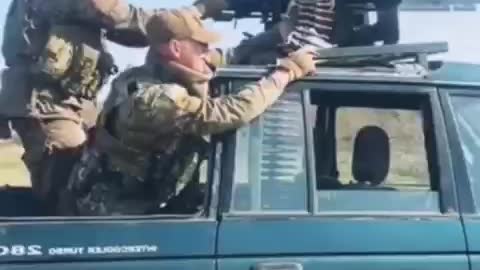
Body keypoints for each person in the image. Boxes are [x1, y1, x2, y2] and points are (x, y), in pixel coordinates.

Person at [64, 7, 317, 216]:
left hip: (142, 203)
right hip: (118, 215)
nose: (207, 53)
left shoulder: (158, 70)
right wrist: (287, 73)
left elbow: (229, 55)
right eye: (201, 46)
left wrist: (277, 34)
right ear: (175, 48)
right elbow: (228, 113)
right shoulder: (154, 98)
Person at [0, 0, 228, 214]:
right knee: (65, 182)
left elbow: (133, 34)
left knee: (88, 171)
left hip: (72, 100)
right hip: (45, 101)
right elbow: (130, 21)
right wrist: (200, 10)